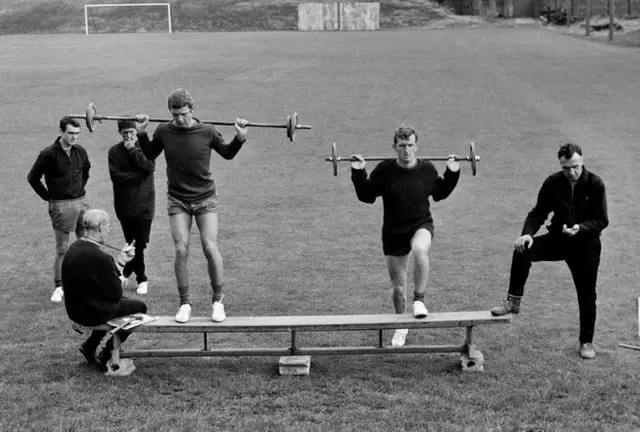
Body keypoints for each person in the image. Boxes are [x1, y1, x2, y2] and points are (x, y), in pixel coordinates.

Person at [135, 88, 249, 323]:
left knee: (209, 246)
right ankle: (185, 303)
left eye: (183, 114)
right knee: (180, 249)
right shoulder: (164, 130)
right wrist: (142, 133)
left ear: (192, 110)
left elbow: (227, 154)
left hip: (205, 197)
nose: (179, 119)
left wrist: (240, 137)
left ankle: (218, 301)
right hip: (178, 199)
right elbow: (149, 154)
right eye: (175, 114)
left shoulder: (207, 131)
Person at [490, 143, 608, 360]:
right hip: (559, 239)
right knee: (522, 250)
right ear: (560, 165)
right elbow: (538, 212)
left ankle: (586, 341)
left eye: (575, 167)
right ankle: (513, 301)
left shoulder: (595, 184)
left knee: (587, 294)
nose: (571, 172)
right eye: (566, 168)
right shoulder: (553, 182)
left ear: (582, 161)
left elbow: (602, 220)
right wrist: (527, 234)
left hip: (586, 246)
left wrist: (580, 228)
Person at [350, 125, 460, 347]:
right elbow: (366, 195)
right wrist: (358, 172)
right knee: (398, 290)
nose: (407, 150)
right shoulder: (384, 170)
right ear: (394, 147)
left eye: (410, 145)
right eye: (402, 146)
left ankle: (419, 300)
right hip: (393, 230)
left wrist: (452, 172)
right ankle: (401, 326)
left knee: (420, 250)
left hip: (421, 224)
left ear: (416, 146)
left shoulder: (427, 169)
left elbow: (440, 193)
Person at [61, 209, 145, 370]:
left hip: (75, 309)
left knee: (124, 303)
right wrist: (120, 270)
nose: (109, 230)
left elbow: (101, 282)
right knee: (140, 307)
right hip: (91, 312)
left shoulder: (74, 248)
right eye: (107, 226)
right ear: (99, 227)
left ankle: (89, 346)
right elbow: (115, 293)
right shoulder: (100, 257)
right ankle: (107, 352)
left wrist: (120, 261)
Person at [27, 116, 91, 304]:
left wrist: (80, 189)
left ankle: (85, 281)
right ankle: (59, 286)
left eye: (77, 134)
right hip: (60, 205)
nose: (74, 137)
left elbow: (86, 170)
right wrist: (49, 197)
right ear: (61, 131)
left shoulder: (80, 151)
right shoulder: (48, 154)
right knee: (62, 249)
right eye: (70, 133)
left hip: (82, 202)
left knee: (86, 243)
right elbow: (32, 178)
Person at [108, 119, 156, 295]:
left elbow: (148, 166)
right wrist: (140, 175)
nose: (128, 136)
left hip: (145, 205)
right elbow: (117, 177)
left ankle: (126, 272)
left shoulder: (145, 147)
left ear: (137, 132)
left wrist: (132, 150)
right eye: (124, 133)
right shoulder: (114, 152)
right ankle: (142, 278)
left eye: (131, 132)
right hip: (124, 206)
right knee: (132, 244)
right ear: (120, 133)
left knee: (140, 243)